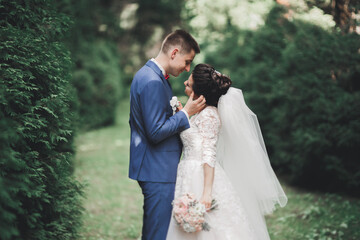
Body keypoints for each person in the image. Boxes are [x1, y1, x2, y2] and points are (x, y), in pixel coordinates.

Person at [166, 64, 288, 240]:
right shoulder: (199, 112)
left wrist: (207, 192)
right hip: (188, 173)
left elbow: (208, 153)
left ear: (200, 93)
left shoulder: (209, 115)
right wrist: (183, 113)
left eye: (188, 84)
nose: (185, 82)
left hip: (201, 176)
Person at [129, 30, 206, 240]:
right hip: (157, 170)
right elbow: (155, 132)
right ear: (174, 53)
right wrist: (185, 114)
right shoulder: (152, 81)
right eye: (187, 61)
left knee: (157, 231)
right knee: (157, 234)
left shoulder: (153, 76)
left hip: (157, 167)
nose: (187, 68)